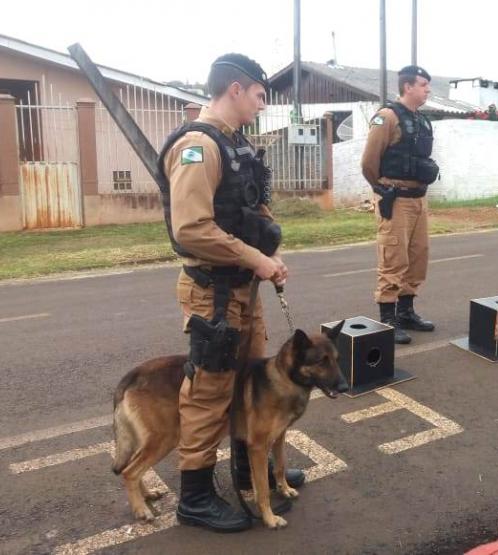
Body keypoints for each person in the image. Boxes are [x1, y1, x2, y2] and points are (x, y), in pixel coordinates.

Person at [157, 53, 302, 533]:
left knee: (250, 384)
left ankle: (248, 472)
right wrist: (254, 257)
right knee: (209, 392)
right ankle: (196, 497)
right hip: (213, 294)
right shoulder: (198, 146)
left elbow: (248, 211)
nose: (262, 105)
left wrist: (269, 255)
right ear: (235, 89)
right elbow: (192, 228)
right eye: (260, 95)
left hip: (244, 288)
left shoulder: (235, 144)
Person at [361, 65, 440, 344]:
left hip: (418, 199)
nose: (428, 89)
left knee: (417, 257)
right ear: (408, 87)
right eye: (423, 84)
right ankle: (388, 318)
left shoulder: (421, 120)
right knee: (393, 258)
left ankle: (406, 312)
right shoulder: (387, 117)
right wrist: (382, 189)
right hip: (395, 200)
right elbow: (369, 162)